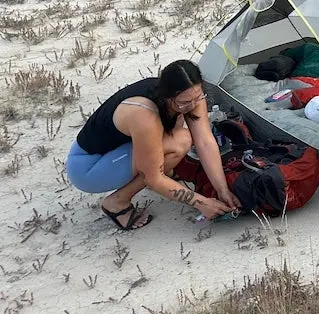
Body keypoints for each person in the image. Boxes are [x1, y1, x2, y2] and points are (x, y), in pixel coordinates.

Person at [66, 59, 237, 231]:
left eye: (198, 98)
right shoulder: (144, 115)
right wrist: (201, 203)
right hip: (89, 168)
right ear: (166, 96)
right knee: (179, 143)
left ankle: (165, 171)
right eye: (184, 102)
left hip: (120, 149)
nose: (192, 106)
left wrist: (222, 189)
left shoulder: (190, 94)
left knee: (180, 136)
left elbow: (205, 141)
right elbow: (154, 178)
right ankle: (117, 202)